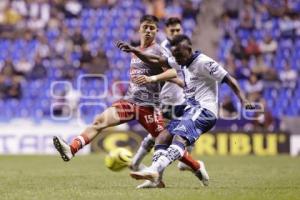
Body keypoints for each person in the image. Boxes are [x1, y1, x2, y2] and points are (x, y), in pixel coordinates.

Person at [53, 16, 203, 188]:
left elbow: (172, 74)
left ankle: (196, 166)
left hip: (149, 107)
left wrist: (151, 78)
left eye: (152, 28)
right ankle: (71, 149)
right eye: (145, 27)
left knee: (167, 145)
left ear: (156, 31)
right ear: (139, 29)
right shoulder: (135, 50)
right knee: (99, 121)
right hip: (130, 102)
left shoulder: (160, 51)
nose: (148, 30)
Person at [117, 34, 253, 187]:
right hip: (190, 109)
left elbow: (230, 79)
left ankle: (155, 170)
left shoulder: (204, 62)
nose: (178, 60)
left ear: (189, 50)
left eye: (180, 56)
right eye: (175, 56)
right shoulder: (180, 58)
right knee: (162, 137)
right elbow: (155, 60)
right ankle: (159, 179)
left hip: (204, 110)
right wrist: (134, 50)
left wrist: (244, 100)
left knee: (179, 138)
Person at [130, 17, 202, 189]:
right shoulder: (161, 49)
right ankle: (143, 166)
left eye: (178, 30)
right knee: (162, 135)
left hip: (181, 98)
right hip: (166, 98)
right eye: (172, 30)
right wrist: (181, 82)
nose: (175, 33)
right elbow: (171, 72)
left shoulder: (182, 48)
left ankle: (141, 164)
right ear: (166, 30)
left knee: (173, 133)